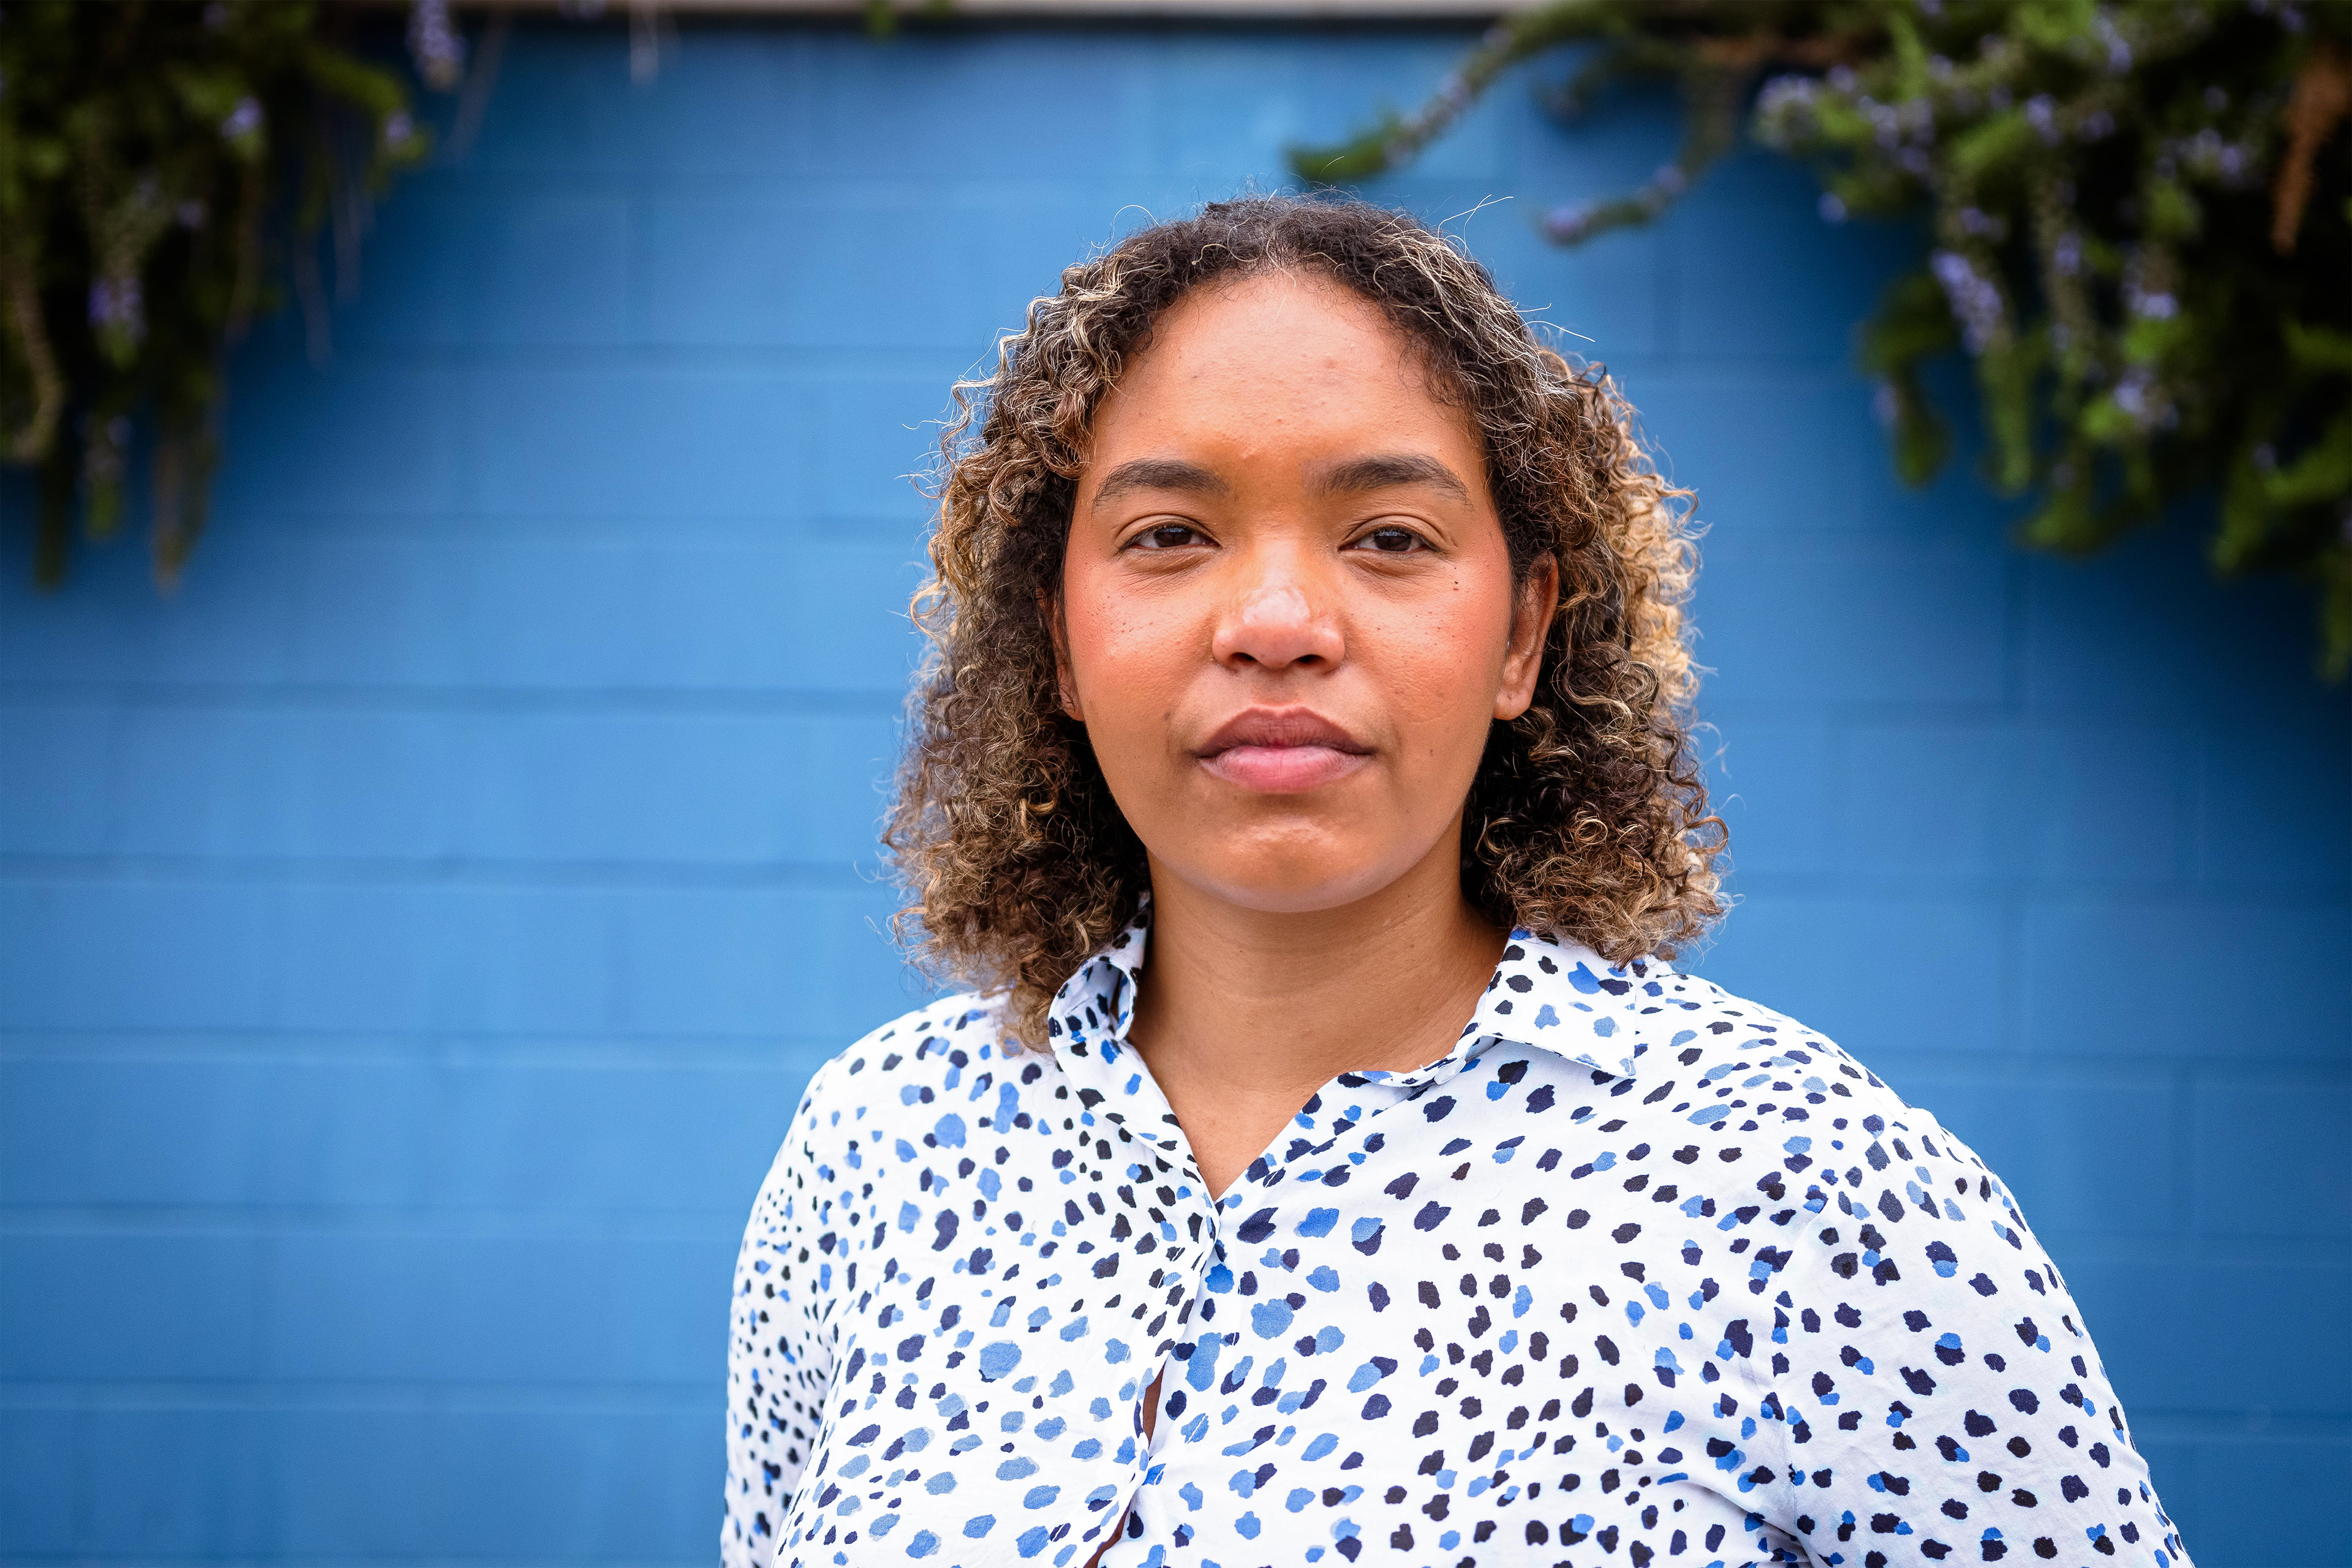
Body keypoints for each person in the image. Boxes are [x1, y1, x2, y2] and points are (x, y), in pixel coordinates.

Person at [720, 196, 2187, 1568]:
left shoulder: (1803, 1189)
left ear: (1522, 635)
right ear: (1057, 636)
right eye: (1169, 535)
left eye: (1390, 538)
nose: (1278, 622)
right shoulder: (875, 1154)